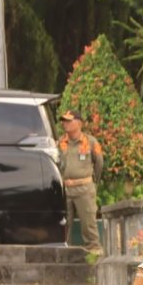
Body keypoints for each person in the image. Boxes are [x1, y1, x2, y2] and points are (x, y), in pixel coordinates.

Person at [58, 109, 103, 255]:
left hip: (84, 187)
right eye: (64, 120)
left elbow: (99, 163)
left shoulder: (90, 142)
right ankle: (65, 253)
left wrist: (93, 181)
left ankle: (94, 252)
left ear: (79, 123)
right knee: (64, 224)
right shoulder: (60, 142)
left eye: (69, 120)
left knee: (89, 223)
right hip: (65, 190)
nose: (65, 123)